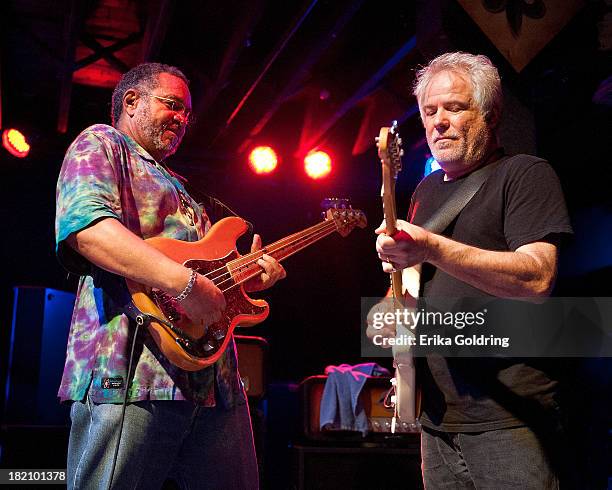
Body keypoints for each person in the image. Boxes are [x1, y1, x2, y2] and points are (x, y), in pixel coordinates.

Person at [55, 62, 286, 489]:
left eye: (186, 113)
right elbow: (87, 229)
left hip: (216, 385)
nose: (182, 119)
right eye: (172, 105)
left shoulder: (185, 189)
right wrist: (184, 283)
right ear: (131, 102)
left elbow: (202, 277)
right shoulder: (103, 143)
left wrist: (240, 285)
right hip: (132, 376)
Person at [374, 52, 574, 488]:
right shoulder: (425, 191)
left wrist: (430, 246)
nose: (438, 121)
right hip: (437, 419)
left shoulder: (524, 175)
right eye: (429, 111)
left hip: (510, 421)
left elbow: (537, 276)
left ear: (490, 113)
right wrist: (391, 312)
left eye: (454, 107)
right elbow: (414, 287)